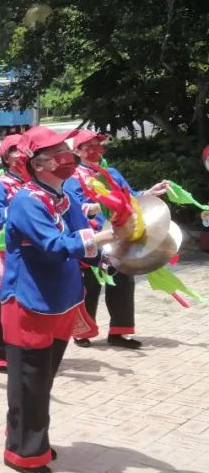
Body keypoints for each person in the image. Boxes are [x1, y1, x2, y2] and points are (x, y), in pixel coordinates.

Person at [1, 127, 121, 473]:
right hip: (29, 301)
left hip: (61, 299)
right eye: (58, 152)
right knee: (29, 380)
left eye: (65, 150)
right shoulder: (26, 200)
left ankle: (29, 436)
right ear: (38, 164)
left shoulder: (64, 197)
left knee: (43, 380)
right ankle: (23, 451)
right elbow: (54, 247)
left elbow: (84, 241)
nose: (67, 157)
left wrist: (109, 253)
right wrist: (106, 235)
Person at [63, 130, 168, 349]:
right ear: (77, 151)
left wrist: (149, 192)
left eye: (97, 145)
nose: (94, 150)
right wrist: (94, 207)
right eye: (87, 146)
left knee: (123, 281)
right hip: (94, 237)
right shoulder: (72, 177)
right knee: (89, 285)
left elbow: (130, 196)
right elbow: (73, 207)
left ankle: (119, 332)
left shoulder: (111, 173)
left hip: (120, 235)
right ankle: (82, 332)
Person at [0, 135, 28, 372]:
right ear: (7, 157)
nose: (22, 154)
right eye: (16, 151)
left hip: (32, 249)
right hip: (7, 249)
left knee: (26, 300)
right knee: (1, 301)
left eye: (25, 149)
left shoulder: (34, 182)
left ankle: (21, 347)